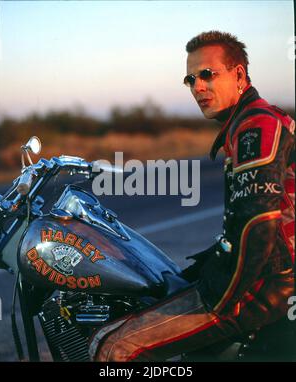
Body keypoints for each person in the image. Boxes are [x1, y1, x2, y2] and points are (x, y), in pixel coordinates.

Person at [89, 31, 295, 362]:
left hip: (262, 287)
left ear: (239, 75)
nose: (197, 87)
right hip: (264, 277)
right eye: (190, 79)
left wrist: (220, 300)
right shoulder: (249, 122)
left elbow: (256, 224)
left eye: (207, 75)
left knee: (112, 346)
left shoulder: (257, 126)